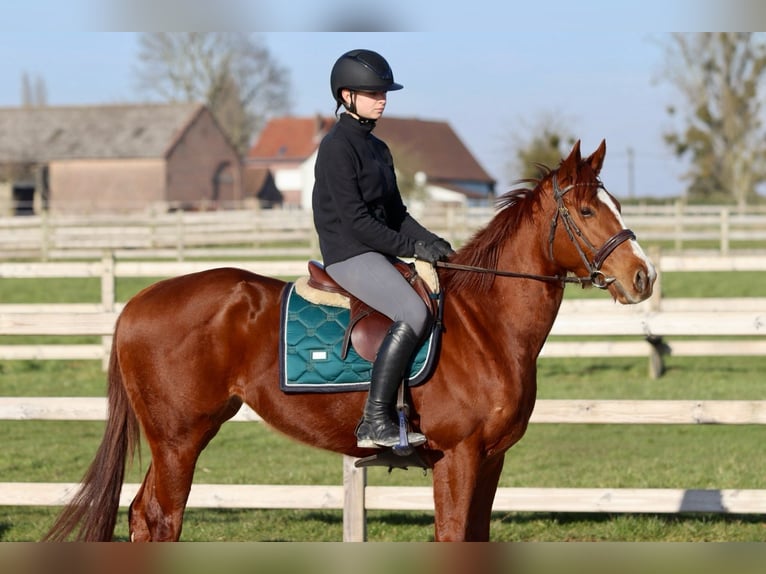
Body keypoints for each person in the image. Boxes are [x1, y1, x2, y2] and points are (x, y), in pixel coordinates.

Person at [312, 49, 454, 449]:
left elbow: (396, 213)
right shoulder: (336, 147)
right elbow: (358, 222)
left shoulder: (379, 149)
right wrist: (411, 248)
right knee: (411, 310)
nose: (383, 98)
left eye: (384, 92)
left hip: (376, 248)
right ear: (346, 96)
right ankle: (375, 419)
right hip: (349, 253)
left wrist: (430, 242)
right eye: (373, 92)